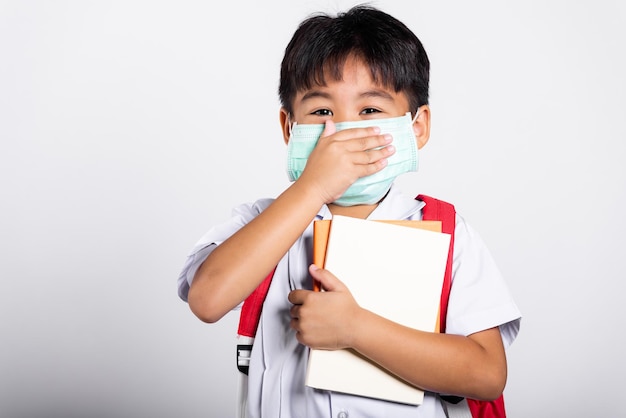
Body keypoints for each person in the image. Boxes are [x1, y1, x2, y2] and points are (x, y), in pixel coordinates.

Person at [177, 5, 521, 417]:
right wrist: (315, 185)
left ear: (417, 127)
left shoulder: (447, 232)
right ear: (290, 128)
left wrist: (356, 328)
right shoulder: (260, 224)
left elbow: (485, 373)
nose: (341, 132)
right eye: (322, 112)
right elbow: (207, 299)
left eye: (370, 110)